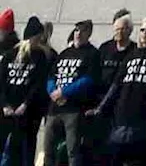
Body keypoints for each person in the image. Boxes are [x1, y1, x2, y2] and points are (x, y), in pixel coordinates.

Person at [91, 14, 146, 165]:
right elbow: (116, 85)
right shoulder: (130, 56)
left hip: (141, 115)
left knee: (135, 159)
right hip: (121, 114)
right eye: (142, 30)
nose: (144, 33)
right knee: (114, 156)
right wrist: (101, 107)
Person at [40, 18, 99, 166]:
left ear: (89, 33)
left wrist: (65, 92)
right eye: (77, 30)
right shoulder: (64, 53)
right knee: (48, 149)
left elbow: (88, 80)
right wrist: (53, 92)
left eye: (83, 30)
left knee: (72, 150)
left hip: (73, 109)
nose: (78, 33)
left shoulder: (92, 54)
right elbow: (51, 76)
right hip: (54, 109)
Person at [1, 17, 52, 166]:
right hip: (7, 111)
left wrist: (25, 104)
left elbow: (38, 84)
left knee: (24, 149)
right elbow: (1, 82)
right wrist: (4, 105)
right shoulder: (10, 55)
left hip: (28, 114)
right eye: (37, 37)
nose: (39, 40)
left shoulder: (40, 56)